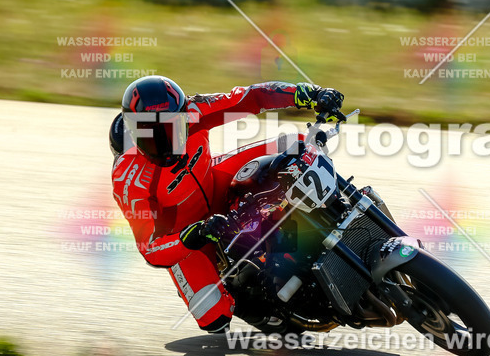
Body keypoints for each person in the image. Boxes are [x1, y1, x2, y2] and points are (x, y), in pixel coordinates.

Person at [109, 75, 344, 333]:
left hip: (215, 180)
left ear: (185, 115)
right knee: (214, 318)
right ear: (133, 133)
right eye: (152, 136)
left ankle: (335, 206)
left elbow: (251, 97)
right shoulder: (128, 179)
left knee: (296, 145)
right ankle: (251, 297)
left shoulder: (195, 109)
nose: (165, 144)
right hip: (189, 233)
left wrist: (309, 94)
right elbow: (150, 248)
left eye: (172, 129)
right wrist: (194, 234)